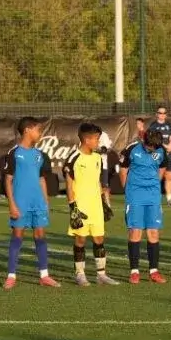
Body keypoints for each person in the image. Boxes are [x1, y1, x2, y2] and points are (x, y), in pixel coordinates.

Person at [2, 117, 59, 288]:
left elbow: (42, 180)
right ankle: (11, 276)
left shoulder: (40, 155)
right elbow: (8, 180)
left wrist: (46, 202)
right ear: (27, 130)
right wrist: (11, 204)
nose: (40, 134)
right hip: (20, 202)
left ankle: (44, 275)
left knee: (40, 235)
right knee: (18, 235)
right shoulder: (14, 153)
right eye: (38, 130)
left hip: (38, 202)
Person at [65, 122, 118, 286]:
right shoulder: (74, 158)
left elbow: (98, 183)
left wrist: (104, 203)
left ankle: (101, 274)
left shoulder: (97, 158)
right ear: (87, 139)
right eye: (96, 139)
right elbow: (69, 185)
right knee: (80, 239)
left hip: (96, 207)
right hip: (81, 207)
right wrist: (73, 208)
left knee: (99, 239)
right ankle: (80, 274)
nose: (98, 142)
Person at [119, 125, 169, 283]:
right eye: (150, 147)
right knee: (135, 231)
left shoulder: (161, 150)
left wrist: (153, 184)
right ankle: (134, 271)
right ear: (143, 140)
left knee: (153, 232)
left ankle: (154, 271)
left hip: (153, 196)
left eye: (155, 147)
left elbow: (162, 168)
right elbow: (123, 170)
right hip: (135, 195)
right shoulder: (132, 149)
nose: (152, 150)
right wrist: (128, 190)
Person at [148, 106, 171, 207]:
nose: (162, 115)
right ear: (157, 114)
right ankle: (153, 198)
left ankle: (169, 199)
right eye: (160, 113)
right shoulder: (153, 126)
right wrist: (164, 146)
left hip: (169, 154)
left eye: (164, 113)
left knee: (168, 176)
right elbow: (154, 141)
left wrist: (170, 146)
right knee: (157, 177)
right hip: (157, 154)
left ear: (166, 114)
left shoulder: (169, 124)